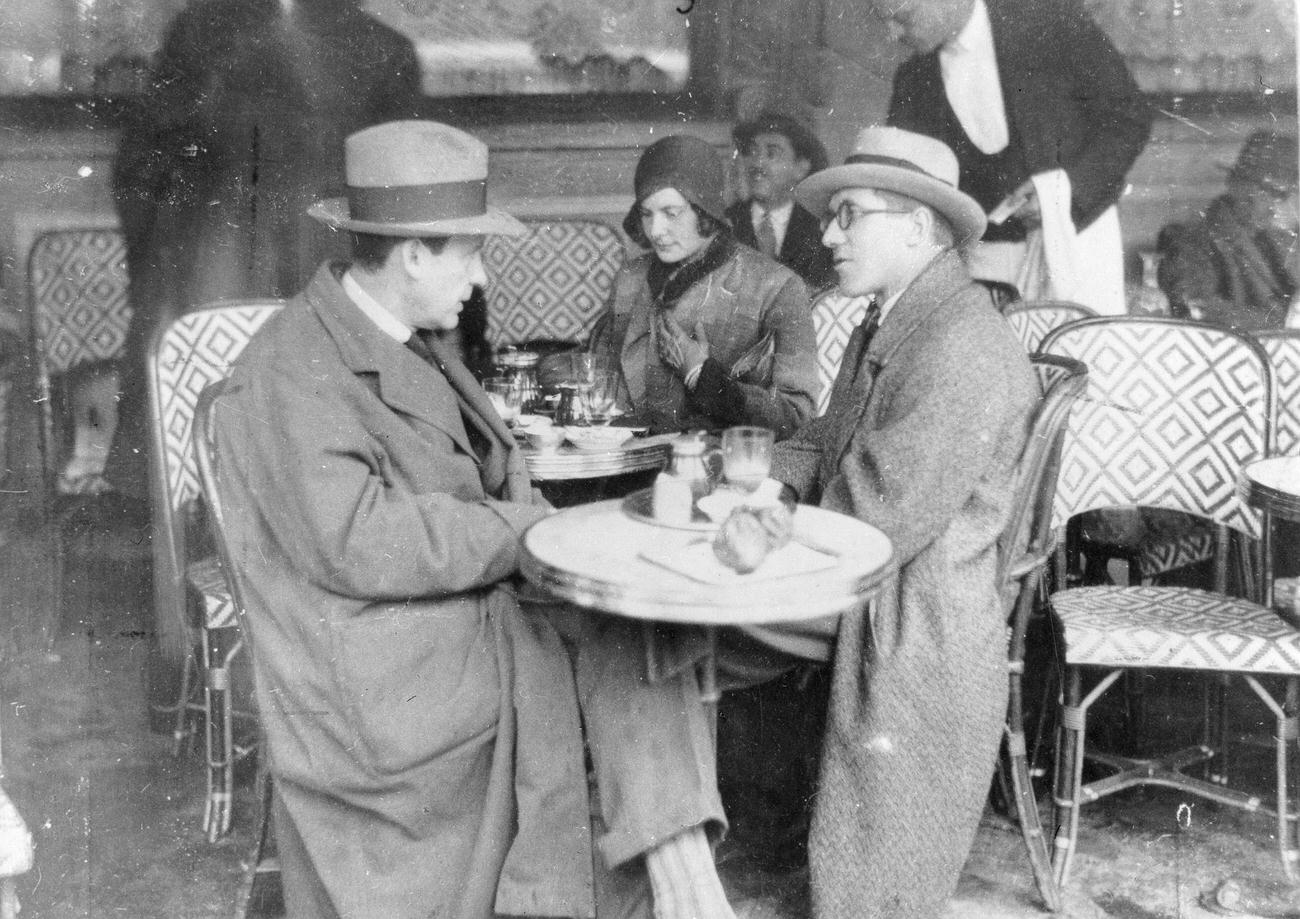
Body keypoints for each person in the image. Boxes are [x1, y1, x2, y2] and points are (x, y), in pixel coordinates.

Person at [207, 120, 749, 919]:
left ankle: (678, 880)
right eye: (470, 252)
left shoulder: (400, 335)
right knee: (628, 646)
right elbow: (360, 542)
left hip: (435, 613)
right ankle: (678, 884)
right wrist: (531, 534)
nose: (482, 275)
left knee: (638, 630)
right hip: (377, 659)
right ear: (415, 253)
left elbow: (486, 470)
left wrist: (538, 521)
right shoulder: (293, 369)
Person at [773, 125, 1037, 918]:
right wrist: (751, 480)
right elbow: (825, 445)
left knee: (665, 633)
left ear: (918, 227)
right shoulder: (900, 319)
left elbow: (872, 518)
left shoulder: (962, 350)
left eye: (850, 214)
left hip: (911, 609)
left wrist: (756, 522)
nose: (828, 234)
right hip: (871, 576)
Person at [105, 0, 422, 501]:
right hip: (237, 277)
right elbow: (142, 170)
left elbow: (139, 175)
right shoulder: (199, 36)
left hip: (274, 286)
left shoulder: (381, 50)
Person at [877, 0, 1151, 314]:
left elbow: (1130, 118)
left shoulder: (1051, 23)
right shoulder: (912, 78)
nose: (892, 34)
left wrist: (1066, 192)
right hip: (980, 265)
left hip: (1076, 240)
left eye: (902, 17)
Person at [588, 134, 818, 438]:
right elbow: (599, 370)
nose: (656, 231)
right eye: (646, 214)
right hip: (625, 461)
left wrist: (701, 374)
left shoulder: (777, 287)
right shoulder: (631, 276)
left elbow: (796, 417)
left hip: (716, 469)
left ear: (704, 209)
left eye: (671, 213)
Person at [1158, 130, 1300, 329]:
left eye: (1283, 195)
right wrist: (1282, 323)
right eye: (1268, 191)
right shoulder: (1191, 241)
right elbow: (1198, 309)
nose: (1274, 206)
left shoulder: (1280, 241)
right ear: (1237, 186)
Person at [726, 111, 836, 291]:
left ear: (801, 168)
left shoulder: (822, 231)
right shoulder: (724, 223)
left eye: (772, 154)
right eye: (753, 152)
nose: (758, 163)